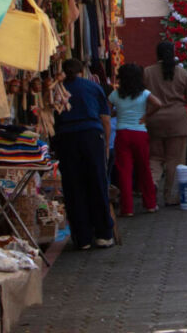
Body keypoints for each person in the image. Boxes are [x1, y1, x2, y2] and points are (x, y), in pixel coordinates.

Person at [51, 58, 115, 249]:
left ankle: (83, 237)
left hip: (67, 138)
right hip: (91, 136)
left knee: (73, 186)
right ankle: (104, 234)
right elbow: (105, 119)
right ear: (81, 71)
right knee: (97, 182)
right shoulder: (93, 87)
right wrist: (105, 146)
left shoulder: (58, 89)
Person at [143, 41, 187, 207]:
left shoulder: (147, 73)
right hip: (178, 122)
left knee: (154, 157)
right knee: (174, 160)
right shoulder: (182, 74)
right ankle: (170, 195)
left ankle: (153, 183)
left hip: (153, 120)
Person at [108, 62, 161, 216]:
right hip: (139, 132)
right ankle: (150, 204)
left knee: (124, 171)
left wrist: (118, 114)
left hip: (122, 133)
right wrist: (146, 116)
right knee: (144, 168)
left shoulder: (115, 94)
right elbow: (158, 104)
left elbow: (108, 111)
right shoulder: (144, 93)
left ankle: (127, 209)